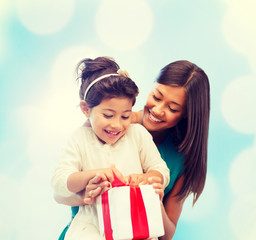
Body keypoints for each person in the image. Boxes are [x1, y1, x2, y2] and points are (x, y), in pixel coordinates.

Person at [54, 59, 210, 240]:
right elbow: (60, 192)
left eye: (173, 108)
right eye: (157, 97)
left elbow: (166, 235)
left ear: (186, 115)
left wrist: (152, 195)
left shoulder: (175, 155)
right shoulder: (101, 127)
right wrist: (90, 194)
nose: (158, 110)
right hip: (88, 230)